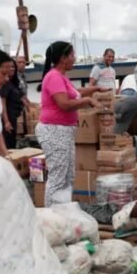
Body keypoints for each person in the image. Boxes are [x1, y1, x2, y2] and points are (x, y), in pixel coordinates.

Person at [36, 41, 105, 206]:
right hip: (54, 131)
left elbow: (74, 93)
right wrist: (88, 100)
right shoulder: (53, 77)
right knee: (58, 176)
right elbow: (64, 103)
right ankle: (52, 214)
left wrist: (94, 90)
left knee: (68, 175)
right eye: (72, 55)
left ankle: (63, 210)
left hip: (64, 131)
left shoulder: (61, 77)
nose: (74, 58)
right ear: (63, 58)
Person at [0, 59, 25, 149]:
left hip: (14, 118)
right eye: (9, 67)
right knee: (8, 144)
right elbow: (3, 102)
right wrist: (6, 121)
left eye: (13, 67)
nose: (12, 69)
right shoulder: (4, 84)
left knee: (13, 142)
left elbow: (22, 96)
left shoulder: (13, 83)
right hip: (7, 119)